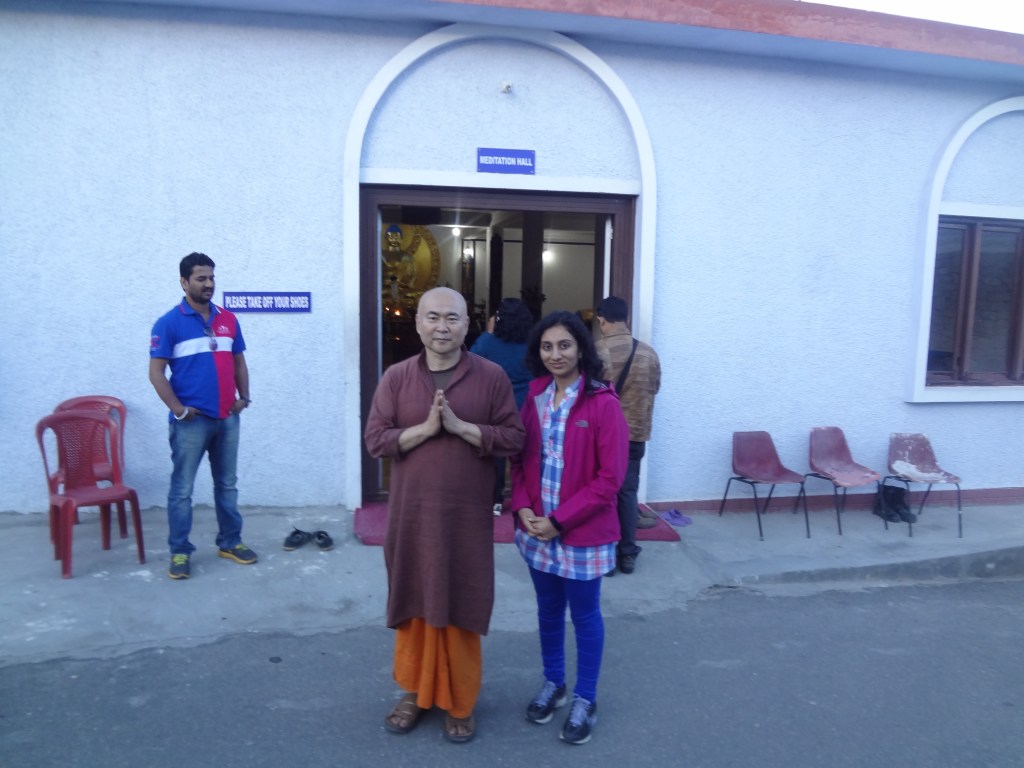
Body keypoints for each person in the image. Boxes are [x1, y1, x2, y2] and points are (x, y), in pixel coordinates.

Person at [364, 286, 525, 744]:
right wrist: (426, 430)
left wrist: (461, 428)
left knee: (460, 601)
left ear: (466, 325)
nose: (441, 327)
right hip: (411, 516)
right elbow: (376, 440)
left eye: (451, 318)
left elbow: (514, 438)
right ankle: (414, 692)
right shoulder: (396, 378)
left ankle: (460, 701)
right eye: (432, 318)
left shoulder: (490, 376)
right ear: (417, 324)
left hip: (464, 518)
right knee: (415, 602)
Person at [509, 311, 628, 745]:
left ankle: (585, 698)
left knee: (585, 616)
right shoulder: (537, 395)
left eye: (564, 345)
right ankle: (554, 684)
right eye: (547, 346)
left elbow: (609, 480)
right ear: (537, 353)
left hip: (579, 535)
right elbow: (520, 458)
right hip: (536, 530)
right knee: (547, 610)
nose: (555, 354)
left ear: (580, 348)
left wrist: (559, 522)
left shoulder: (602, 403)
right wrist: (521, 506)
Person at [149, 252, 256, 581]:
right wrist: (179, 410)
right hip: (192, 423)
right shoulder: (168, 323)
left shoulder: (228, 319)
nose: (209, 284)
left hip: (227, 418)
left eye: (211, 278)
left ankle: (230, 542)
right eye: (201, 278)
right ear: (184, 282)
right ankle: (180, 551)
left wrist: (244, 398)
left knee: (227, 485)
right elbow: (156, 374)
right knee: (182, 490)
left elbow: (238, 361)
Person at [594, 296, 662, 575]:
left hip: (604, 435)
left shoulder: (597, 351)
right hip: (636, 433)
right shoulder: (649, 354)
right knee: (628, 491)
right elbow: (655, 388)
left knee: (602, 492)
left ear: (601, 320)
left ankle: (607, 554)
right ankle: (628, 553)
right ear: (627, 319)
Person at [470, 297, 534, 513]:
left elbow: (470, 361)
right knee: (526, 456)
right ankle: (526, 500)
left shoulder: (489, 342)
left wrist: (488, 332)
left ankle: (496, 500)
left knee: (496, 455)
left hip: (496, 406)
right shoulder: (531, 345)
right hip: (526, 405)